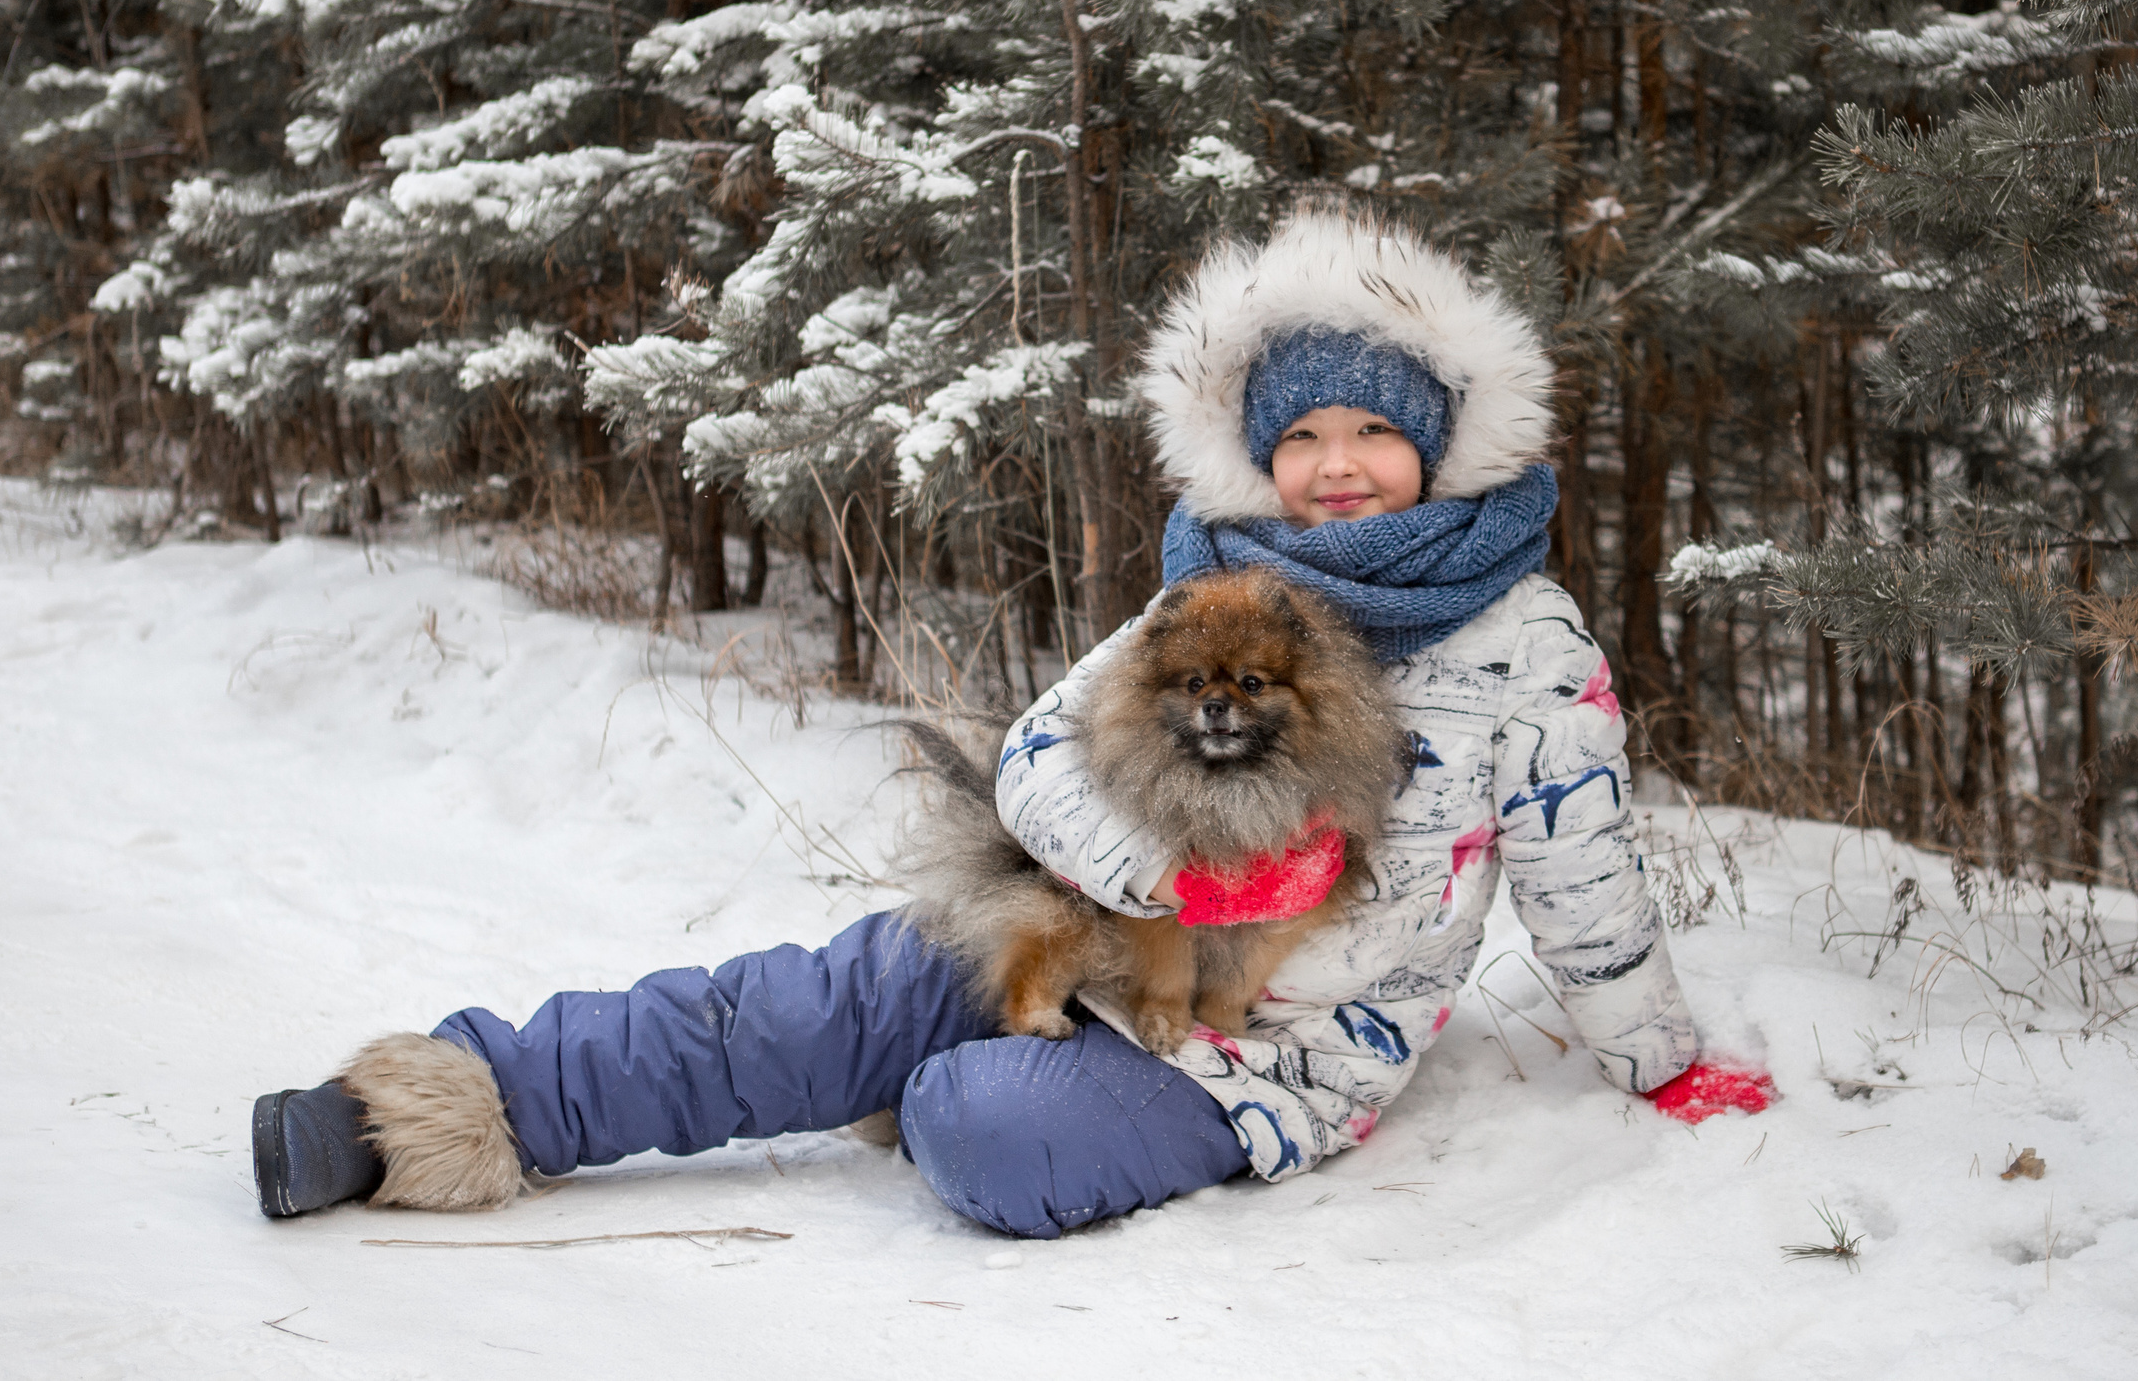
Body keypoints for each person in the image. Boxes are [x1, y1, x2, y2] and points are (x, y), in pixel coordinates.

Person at [251, 206, 1764, 1241]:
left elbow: (1587, 884)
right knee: (800, 1002)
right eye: (1302, 434)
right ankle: (436, 1107)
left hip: (1264, 1052)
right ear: (1261, 455)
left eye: (1374, 429)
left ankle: (929, 1090)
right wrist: (1164, 877)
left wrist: (1659, 1057)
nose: (1340, 464)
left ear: (1435, 441)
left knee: (984, 1130)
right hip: (1072, 934)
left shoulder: (1523, 643)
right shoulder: (1215, 580)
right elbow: (1041, 760)